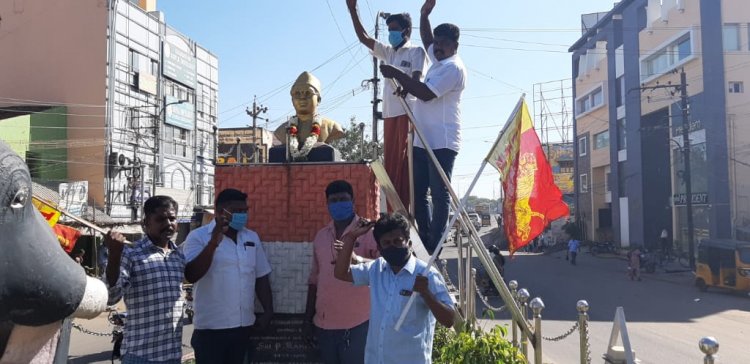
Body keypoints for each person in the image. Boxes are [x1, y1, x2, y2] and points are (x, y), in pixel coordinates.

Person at [380, 0, 467, 255]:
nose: (437, 48)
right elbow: (427, 37)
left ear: (455, 46)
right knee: (418, 193)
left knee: (440, 195)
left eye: (443, 45)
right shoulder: (439, 59)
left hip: (441, 141)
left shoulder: (453, 68)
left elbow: (426, 93)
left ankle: (434, 244)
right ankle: (424, 237)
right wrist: (423, 14)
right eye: (437, 44)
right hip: (421, 139)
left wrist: (397, 74)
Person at [334, 213, 455, 363]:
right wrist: (351, 238)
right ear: (379, 247)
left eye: (398, 241)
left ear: (409, 243)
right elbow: (341, 273)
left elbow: (450, 319)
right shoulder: (376, 269)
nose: (392, 246)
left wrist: (426, 293)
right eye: (387, 243)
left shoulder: (427, 274)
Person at [346, 0, 428, 212]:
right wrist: (353, 10)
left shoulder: (416, 52)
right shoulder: (388, 52)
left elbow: (417, 79)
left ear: (406, 30)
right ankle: (394, 212)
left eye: (394, 30)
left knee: (406, 167)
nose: (391, 34)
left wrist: (407, 88)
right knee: (391, 167)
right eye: (389, 30)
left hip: (408, 113)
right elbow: (364, 38)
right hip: (390, 116)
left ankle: (408, 213)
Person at [182, 188, 274, 364]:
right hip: (211, 331)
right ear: (219, 212)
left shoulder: (251, 237)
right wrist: (213, 242)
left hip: (243, 327)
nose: (242, 215)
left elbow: (261, 276)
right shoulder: (198, 237)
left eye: (244, 211)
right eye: (236, 211)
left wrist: (268, 310)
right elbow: (191, 275)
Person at [304, 180, 380, 364]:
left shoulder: (369, 231)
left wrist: (356, 259)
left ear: (353, 201)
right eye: (334, 200)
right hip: (324, 323)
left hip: (360, 323)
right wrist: (307, 320)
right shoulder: (321, 236)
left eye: (343, 199)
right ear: (327, 204)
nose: (339, 204)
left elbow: (384, 268)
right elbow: (315, 280)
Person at [104, 196, 185, 364]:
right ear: (145, 223)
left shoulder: (178, 255)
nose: (169, 223)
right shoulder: (131, 253)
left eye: (172, 218)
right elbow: (111, 296)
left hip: (172, 355)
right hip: (140, 356)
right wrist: (114, 254)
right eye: (161, 219)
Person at [272, 72, 344, 162]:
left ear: (318, 100)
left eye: (308, 93)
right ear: (292, 100)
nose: (302, 98)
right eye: (297, 93)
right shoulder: (282, 130)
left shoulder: (332, 127)